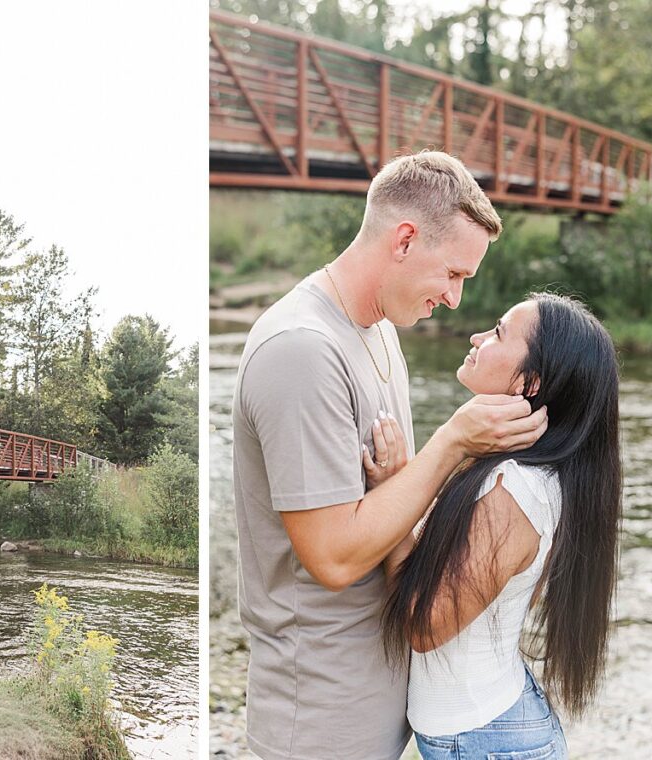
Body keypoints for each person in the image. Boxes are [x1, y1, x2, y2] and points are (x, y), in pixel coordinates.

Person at [232, 151, 548, 759]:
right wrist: (453, 441)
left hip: (378, 708)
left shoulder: (379, 329)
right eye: (453, 274)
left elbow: (385, 506)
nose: (455, 299)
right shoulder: (302, 350)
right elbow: (332, 556)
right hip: (320, 720)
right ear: (405, 240)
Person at [371, 294, 620, 759]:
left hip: (486, 740)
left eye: (499, 333)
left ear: (530, 382)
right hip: (491, 727)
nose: (476, 337)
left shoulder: (515, 491)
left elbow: (424, 628)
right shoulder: (506, 467)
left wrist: (389, 493)